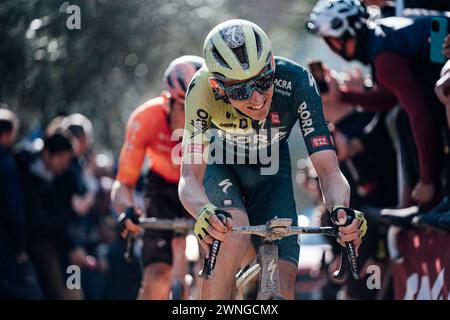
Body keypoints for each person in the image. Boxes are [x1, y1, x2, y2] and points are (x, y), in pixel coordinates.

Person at [178, 19, 367, 300]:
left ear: (272, 66)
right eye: (239, 91)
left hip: (272, 175)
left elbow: (329, 171)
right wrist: (203, 211)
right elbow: (189, 177)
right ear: (218, 87)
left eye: (263, 81)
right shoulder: (201, 89)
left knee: (279, 289)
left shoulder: (297, 81)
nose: (256, 99)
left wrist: (341, 209)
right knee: (232, 231)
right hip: (222, 167)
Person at [307, 0, 450, 208]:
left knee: (424, 105)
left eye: (331, 41)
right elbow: (388, 99)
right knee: (400, 118)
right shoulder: (378, 38)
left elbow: (420, 114)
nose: (333, 48)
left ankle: (437, 194)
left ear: (345, 34)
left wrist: (428, 181)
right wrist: (342, 95)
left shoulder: (383, 56)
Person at [111, 55, 204, 299]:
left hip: (203, 185)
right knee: (157, 276)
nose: (192, 121)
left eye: (198, 111)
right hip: (162, 187)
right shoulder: (146, 119)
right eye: (185, 109)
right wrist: (127, 209)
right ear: (169, 102)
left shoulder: (215, 121)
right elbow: (124, 183)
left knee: (213, 272)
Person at [15, 132, 79, 299]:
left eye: (67, 161)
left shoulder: (63, 179)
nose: (64, 166)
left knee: (75, 289)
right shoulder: (24, 172)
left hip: (69, 248)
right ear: (46, 154)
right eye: (61, 160)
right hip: (45, 247)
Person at [0, 108, 43, 299]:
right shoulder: (7, 165)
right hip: (7, 245)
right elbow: (14, 208)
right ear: (6, 134)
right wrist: (20, 247)